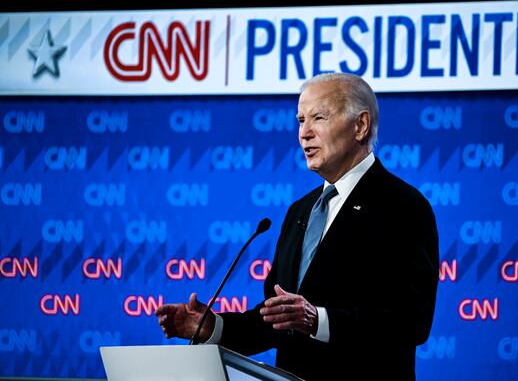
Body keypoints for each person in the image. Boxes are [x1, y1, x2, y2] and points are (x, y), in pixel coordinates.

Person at [155, 73, 439, 380]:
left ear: (360, 125)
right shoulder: (300, 210)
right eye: (301, 120)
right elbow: (277, 319)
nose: (304, 133)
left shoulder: (403, 206)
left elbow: (412, 321)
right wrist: (213, 327)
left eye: (318, 117)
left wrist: (318, 320)